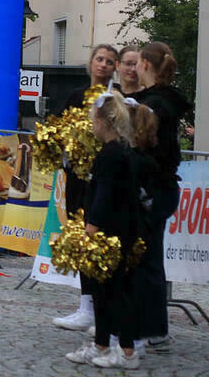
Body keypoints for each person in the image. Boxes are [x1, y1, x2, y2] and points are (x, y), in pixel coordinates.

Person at [64, 91, 149, 368]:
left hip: (112, 232)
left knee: (115, 292)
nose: (92, 127)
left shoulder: (112, 154)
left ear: (102, 123)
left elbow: (104, 194)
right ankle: (101, 344)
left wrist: (91, 228)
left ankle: (127, 352)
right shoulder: (119, 150)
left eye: (93, 122)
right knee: (102, 291)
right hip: (117, 229)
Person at [53, 42, 120, 331]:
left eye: (109, 61)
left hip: (105, 178)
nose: (103, 65)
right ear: (90, 63)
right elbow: (57, 130)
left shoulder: (117, 98)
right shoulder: (75, 96)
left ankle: (107, 310)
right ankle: (86, 307)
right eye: (99, 59)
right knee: (80, 238)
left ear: (115, 68)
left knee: (103, 239)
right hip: (77, 178)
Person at [132, 41, 191, 356]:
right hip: (160, 188)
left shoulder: (155, 104)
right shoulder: (161, 100)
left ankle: (148, 330)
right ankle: (151, 329)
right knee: (148, 259)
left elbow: (151, 150)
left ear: (144, 63)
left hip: (153, 189)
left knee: (144, 260)